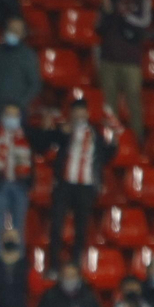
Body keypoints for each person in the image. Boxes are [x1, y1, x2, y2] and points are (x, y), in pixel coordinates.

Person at [40, 100, 117, 270]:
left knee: (81, 230)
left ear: (87, 114)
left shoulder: (95, 134)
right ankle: (53, 266)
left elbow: (107, 154)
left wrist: (113, 136)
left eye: (82, 113)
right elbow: (45, 143)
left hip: (86, 186)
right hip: (65, 184)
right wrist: (55, 130)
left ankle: (76, 267)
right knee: (57, 226)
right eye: (76, 113)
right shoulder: (65, 131)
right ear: (71, 114)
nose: (80, 116)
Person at [97, 0, 151, 139]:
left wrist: (122, 14)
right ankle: (112, 141)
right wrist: (106, 12)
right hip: (109, 59)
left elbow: (144, 24)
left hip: (130, 60)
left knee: (134, 102)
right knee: (109, 105)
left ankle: (137, 140)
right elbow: (99, 28)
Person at [0, 106, 36, 249]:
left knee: (19, 230)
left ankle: (18, 266)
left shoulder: (27, 135)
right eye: (8, 115)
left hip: (20, 186)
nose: (12, 119)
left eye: (15, 115)